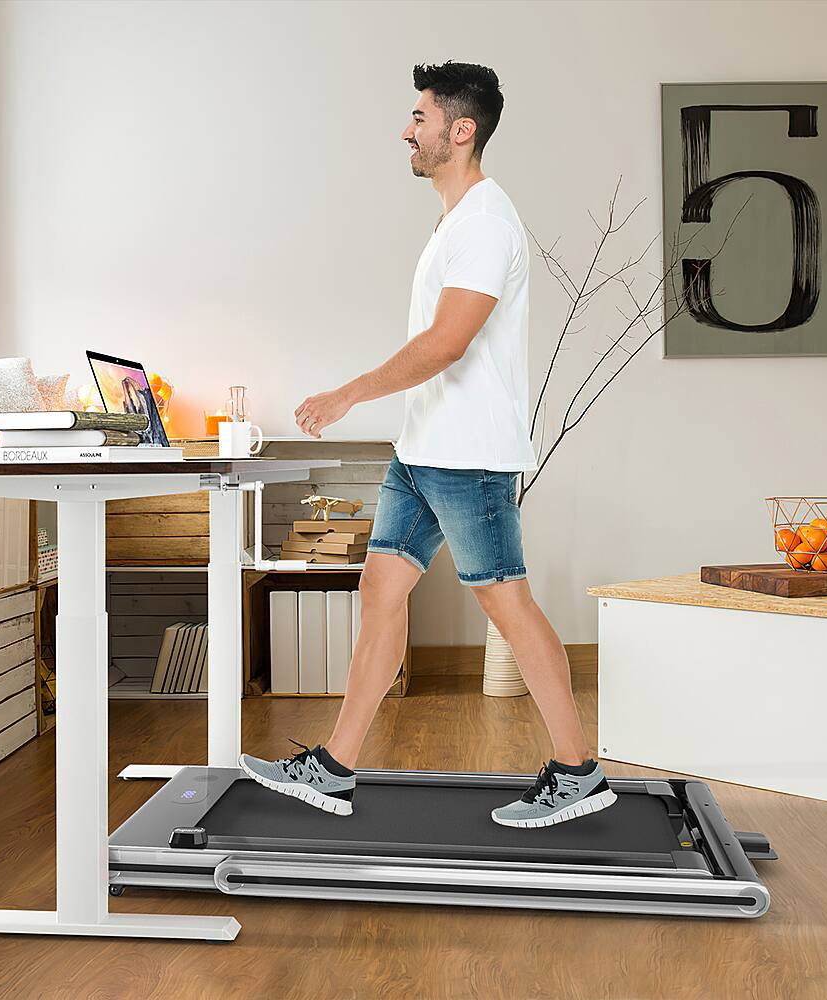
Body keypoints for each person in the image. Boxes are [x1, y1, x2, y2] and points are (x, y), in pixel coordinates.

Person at [240, 61, 615, 829]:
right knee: (380, 589)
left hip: (469, 455)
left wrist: (347, 395)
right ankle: (335, 769)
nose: (407, 129)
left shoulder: (485, 224)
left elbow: (446, 344)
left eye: (419, 117)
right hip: (423, 451)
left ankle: (579, 772)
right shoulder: (455, 218)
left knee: (506, 603)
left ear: (460, 129)